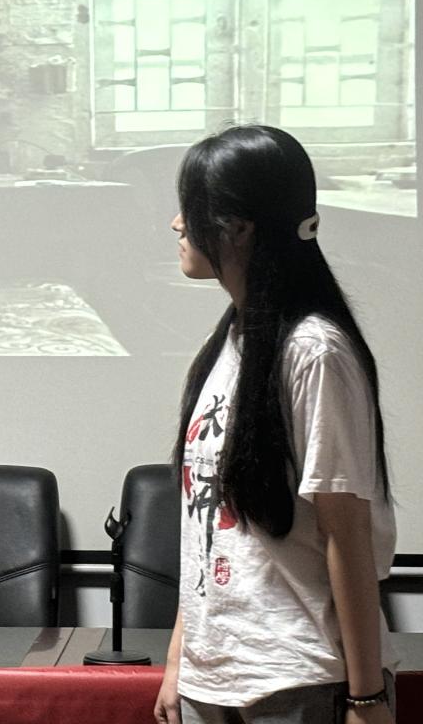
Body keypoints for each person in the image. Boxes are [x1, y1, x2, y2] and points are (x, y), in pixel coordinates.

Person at [154, 125, 396, 724]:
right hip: (214, 679)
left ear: (240, 228)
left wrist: (366, 698)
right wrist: (180, 658)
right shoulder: (227, 342)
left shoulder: (314, 352)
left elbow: (346, 534)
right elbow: (208, 526)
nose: (177, 224)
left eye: (192, 209)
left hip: (299, 679)